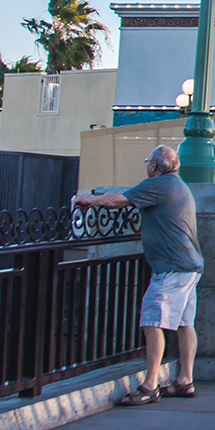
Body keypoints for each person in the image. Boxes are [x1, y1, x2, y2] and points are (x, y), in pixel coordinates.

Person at [73, 144, 203, 404]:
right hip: (190, 266)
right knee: (184, 323)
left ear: (154, 166)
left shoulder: (159, 185)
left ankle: (149, 386)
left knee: (152, 323)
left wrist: (87, 199)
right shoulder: (178, 185)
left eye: (147, 161)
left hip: (172, 269)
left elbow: (115, 201)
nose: (146, 165)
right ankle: (184, 381)